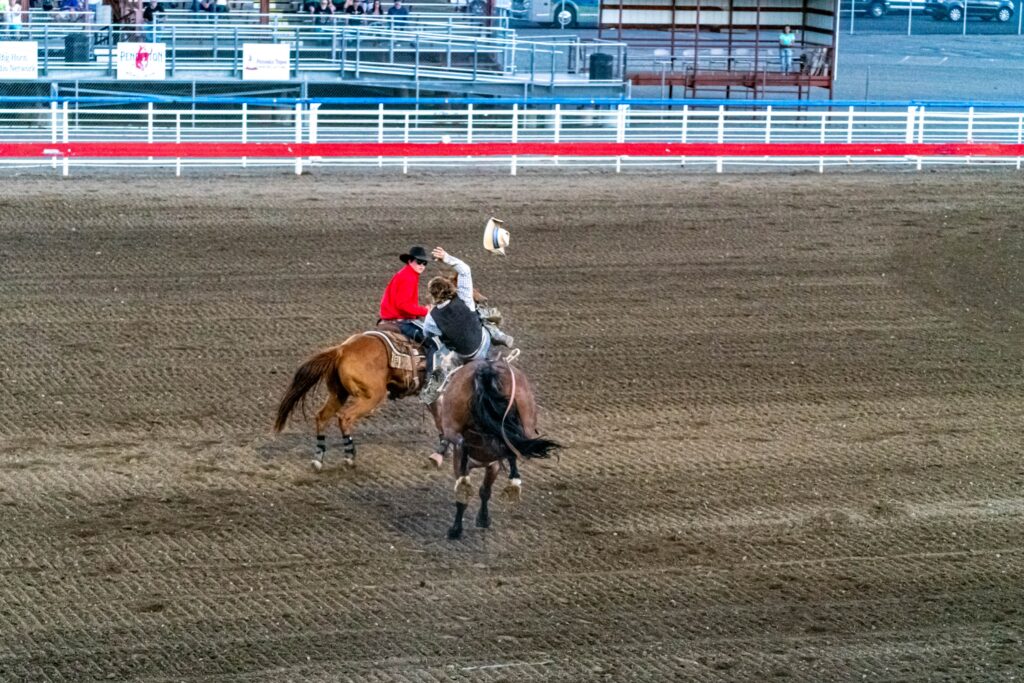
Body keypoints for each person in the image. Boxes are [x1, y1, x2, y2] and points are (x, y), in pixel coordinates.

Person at [419, 275, 490, 405]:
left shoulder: (432, 316)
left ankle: (431, 391)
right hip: (480, 344)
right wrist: (446, 257)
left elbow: (427, 333)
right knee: (486, 331)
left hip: (462, 353)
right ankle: (494, 355)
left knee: (440, 356)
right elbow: (464, 269)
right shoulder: (463, 297)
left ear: (433, 295)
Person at [378, 245, 430, 343]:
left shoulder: (406, 274)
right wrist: (426, 311)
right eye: (419, 262)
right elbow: (403, 305)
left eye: (425, 263)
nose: (422, 266)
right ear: (410, 261)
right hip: (400, 321)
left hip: (391, 317)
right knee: (432, 340)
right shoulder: (408, 277)